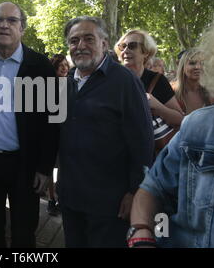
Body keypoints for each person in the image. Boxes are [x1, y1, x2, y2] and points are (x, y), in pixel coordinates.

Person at [129, 0, 214, 248]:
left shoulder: (164, 86)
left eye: (134, 46)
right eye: (125, 45)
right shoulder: (203, 125)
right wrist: (142, 234)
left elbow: (177, 119)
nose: (127, 50)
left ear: (147, 52)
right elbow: (153, 186)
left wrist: (156, 105)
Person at [0, 2, 58, 247]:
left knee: (24, 234)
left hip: (26, 167)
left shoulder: (41, 66)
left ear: (22, 28)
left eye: (12, 20)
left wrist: (45, 167)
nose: (4, 25)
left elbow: (52, 123)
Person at [58, 16, 154, 248]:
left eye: (88, 39)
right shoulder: (67, 82)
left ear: (104, 43)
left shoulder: (125, 81)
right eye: (74, 40)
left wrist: (135, 192)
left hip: (109, 203)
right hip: (71, 198)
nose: (80, 45)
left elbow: (142, 141)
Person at [115, 30, 184, 131]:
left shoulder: (157, 80)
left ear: (146, 52)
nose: (125, 50)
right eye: (122, 46)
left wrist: (158, 107)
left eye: (132, 45)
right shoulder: (110, 80)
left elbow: (180, 119)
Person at [46, 54, 69, 216]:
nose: (64, 68)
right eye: (61, 65)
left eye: (66, 65)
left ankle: (60, 198)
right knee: (48, 167)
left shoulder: (71, 83)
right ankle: (51, 199)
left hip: (66, 132)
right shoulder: (46, 85)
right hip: (50, 130)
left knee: (62, 167)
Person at [172, 48, 214, 114]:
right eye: (192, 63)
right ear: (182, 66)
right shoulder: (171, 91)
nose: (197, 67)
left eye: (202, 63)